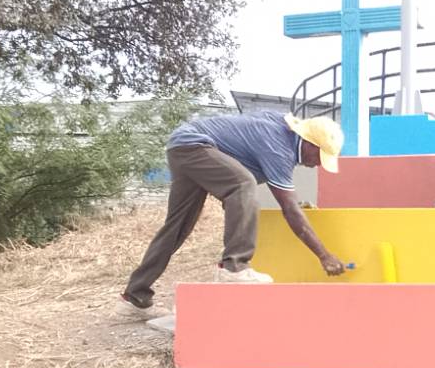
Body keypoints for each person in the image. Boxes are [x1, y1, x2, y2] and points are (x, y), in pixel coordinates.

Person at [120, 109, 347, 317]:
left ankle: (134, 297)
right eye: (320, 157)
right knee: (242, 184)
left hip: (183, 147)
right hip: (195, 145)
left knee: (177, 226)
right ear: (309, 144)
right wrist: (324, 256)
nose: (317, 165)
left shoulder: (283, 128)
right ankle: (234, 267)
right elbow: (289, 208)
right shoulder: (279, 148)